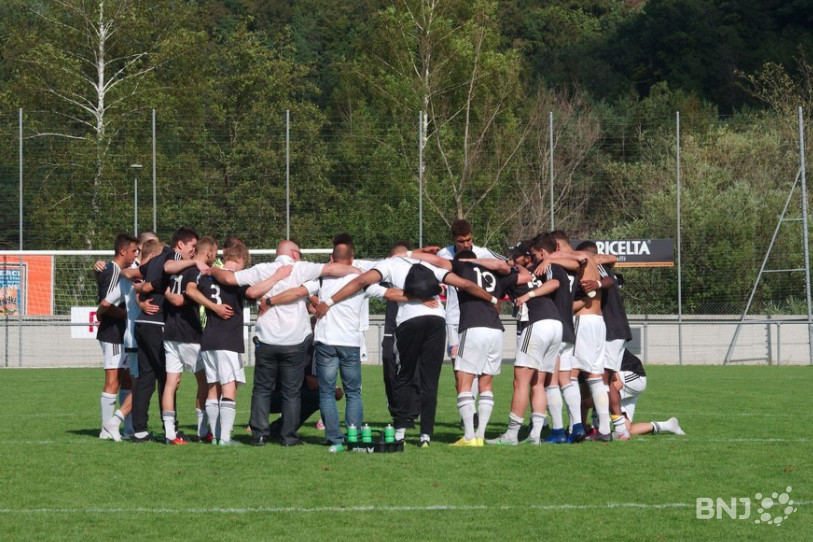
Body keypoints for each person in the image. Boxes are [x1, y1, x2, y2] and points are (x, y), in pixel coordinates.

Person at [314, 246, 497, 447]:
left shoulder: (388, 264)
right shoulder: (428, 264)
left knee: (404, 376)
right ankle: (425, 436)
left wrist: (329, 301)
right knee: (430, 381)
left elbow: (361, 281)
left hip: (409, 320)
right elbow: (465, 284)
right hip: (437, 319)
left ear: (393, 254)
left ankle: (400, 430)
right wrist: (492, 299)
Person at [208, 240, 359, 447]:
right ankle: (288, 436)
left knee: (262, 389)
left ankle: (259, 435)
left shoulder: (261, 269)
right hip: (294, 341)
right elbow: (332, 268)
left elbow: (229, 278)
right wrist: (357, 271)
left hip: (266, 339)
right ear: (294, 254)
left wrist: (212, 270)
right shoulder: (301, 268)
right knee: (292, 391)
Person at [410, 248, 527, 447]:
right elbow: (526, 276)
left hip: (473, 327)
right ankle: (480, 435)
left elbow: (437, 261)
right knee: (486, 384)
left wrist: (409, 254)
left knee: (464, 383)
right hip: (496, 330)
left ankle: (469, 436)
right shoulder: (496, 275)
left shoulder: (462, 267)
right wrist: (512, 264)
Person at [188, 243, 291, 446]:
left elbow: (191, 290)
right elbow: (253, 292)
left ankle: (215, 436)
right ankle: (225, 438)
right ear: (241, 259)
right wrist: (276, 277)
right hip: (227, 340)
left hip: (208, 339)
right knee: (229, 388)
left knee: (212, 388)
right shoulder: (236, 279)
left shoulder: (206, 276)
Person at [97, 238, 161, 441]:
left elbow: (105, 302)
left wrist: (99, 313)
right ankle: (113, 424)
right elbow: (109, 301)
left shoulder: (128, 275)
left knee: (134, 382)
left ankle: (130, 429)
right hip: (137, 336)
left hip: (129, 337)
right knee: (141, 384)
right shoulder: (140, 276)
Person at [158, 231, 213, 444]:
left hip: (170, 333)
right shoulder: (194, 271)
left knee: (171, 382)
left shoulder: (176, 270)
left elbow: (169, 290)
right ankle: (202, 430)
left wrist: (167, 294)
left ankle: (170, 433)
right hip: (189, 333)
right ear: (207, 253)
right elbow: (184, 298)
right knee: (204, 380)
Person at [578, 240, 632, 440]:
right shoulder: (602, 265)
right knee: (606, 382)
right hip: (616, 330)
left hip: (610, 330)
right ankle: (620, 429)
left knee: (601, 381)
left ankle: (606, 430)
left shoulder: (598, 267)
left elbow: (608, 280)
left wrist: (598, 283)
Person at [96, 234, 139, 440]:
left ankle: (128, 429)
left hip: (123, 333)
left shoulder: (119, 271)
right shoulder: (113, 271)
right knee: (112, 380)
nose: (136, 254)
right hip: (112, 333)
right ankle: (105, 430)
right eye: (133, 251)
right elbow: (106, 304)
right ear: (123, 251)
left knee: (127, 379)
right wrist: (129, 314)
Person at [613, 349, 684, 436]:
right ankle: (668, 425)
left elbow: (615, 382)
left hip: (633, 376)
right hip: (622, 376)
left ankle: (599, 427)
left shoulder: (605, 344)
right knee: (624, 430)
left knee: (603, 389)